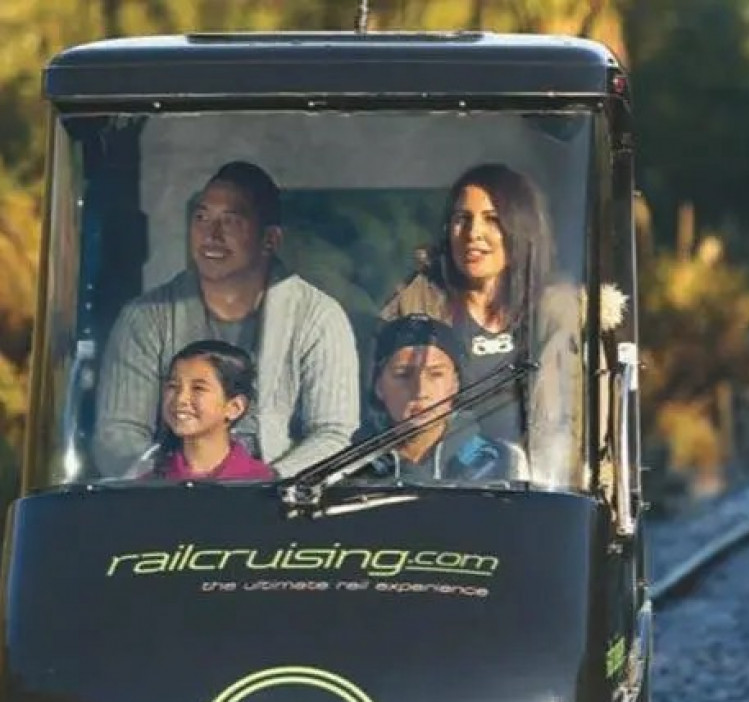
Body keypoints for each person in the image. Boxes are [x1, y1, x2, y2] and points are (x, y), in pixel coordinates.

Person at [94, 160, 359, 479]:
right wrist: (164, 481)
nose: (211, 234)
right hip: (168, 502)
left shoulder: (319, 317)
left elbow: (334, 435)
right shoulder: (145, 318)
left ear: (270, 240)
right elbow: (117, 432)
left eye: (230, 222)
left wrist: (268, 484)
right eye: (202, 218)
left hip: (283, 507)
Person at [381, 163, 581, 487]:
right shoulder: (413, 308)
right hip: (440, 493)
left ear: (521, 228)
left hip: (540, 500)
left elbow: (589, 429)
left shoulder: (564, 317)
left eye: (492, 219)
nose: (473, 233)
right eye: (462, 219)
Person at [357, 314, 526, 483]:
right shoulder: (349, 466)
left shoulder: (502, 461)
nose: (420, 390)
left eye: (435, 374)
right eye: (403, 374)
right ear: (378, 386)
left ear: (455, 384)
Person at [149, 340, 276, 481]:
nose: (180, 399)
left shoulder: (260, 483)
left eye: (198, 388)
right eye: (173, 386)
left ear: (235, 407)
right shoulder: (150, 483)